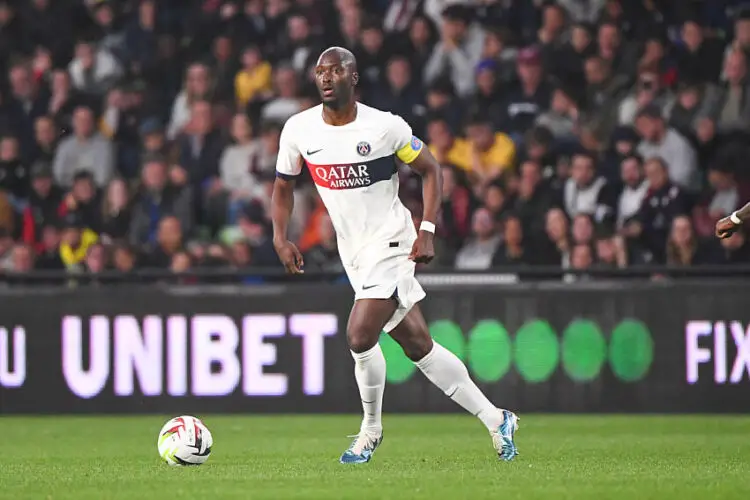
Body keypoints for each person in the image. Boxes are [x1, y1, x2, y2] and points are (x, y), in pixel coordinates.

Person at [271, 47, 519, 465]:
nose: (326, 77)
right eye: (320, 71)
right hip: (355, 253)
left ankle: (370, 430)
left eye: (336, 70)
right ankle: (497, 419)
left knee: (359, 335)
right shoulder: (298, 129)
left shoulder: (385, 127)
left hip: (392, 240)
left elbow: (432, 169)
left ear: (354, 77)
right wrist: (280, 237)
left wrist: (427, 229)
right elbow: (283, 186)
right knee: (418, 345)